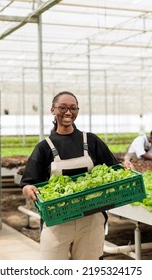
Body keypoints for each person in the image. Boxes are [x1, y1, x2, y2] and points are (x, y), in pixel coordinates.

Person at [20, 91, 133, 260]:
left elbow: (114, 169)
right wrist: (29, 190)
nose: (68, 112)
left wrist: (125, 166)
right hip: (57, 220)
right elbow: (27, 184)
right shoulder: (44, 147)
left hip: (91, 219)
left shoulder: (91, 140)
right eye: (63, 108)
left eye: (73, 108)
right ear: (53, 110)